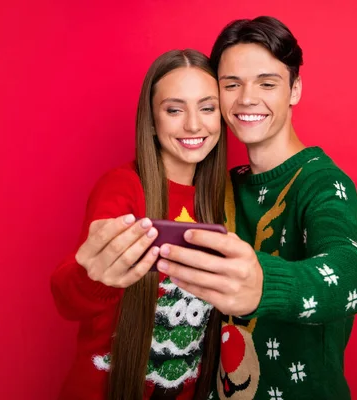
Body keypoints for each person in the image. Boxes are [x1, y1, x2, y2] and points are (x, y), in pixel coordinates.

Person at [155, 17, 357, 399]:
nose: (247, 98)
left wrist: (263, 284)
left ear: (295, 89)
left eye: (267, 83)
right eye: (231, 84)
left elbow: (350, 274)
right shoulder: (218, 185)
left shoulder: (322, 182)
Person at [50, 49, 227, 400]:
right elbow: (67, 296)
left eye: (207, 108)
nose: (194, 124)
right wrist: (93, 276)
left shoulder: (221, 200)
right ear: (151, 120)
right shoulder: (122, 187)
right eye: (174, 109)